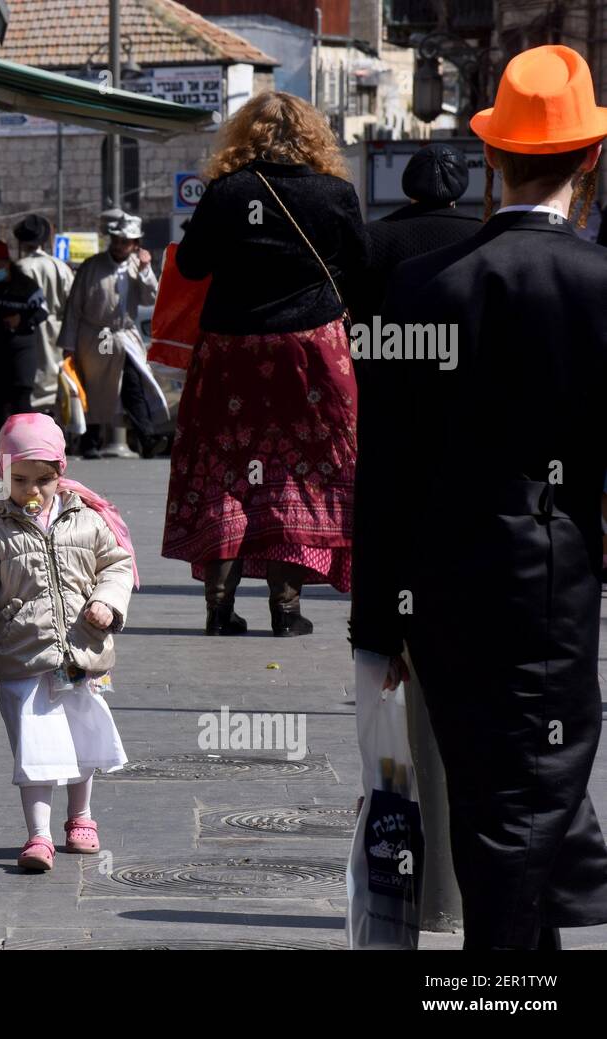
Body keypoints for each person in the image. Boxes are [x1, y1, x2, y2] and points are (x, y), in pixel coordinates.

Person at [350, 44, 607, 949]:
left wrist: (377, 624)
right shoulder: (598, 286)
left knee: (494, 807)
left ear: (492, 160)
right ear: (591, 161)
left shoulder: (420, 288)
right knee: (520, 819)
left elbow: (380, 468)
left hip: (442, 597)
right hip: (555, 592)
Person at [161, 91, 366, 637]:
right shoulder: (335, 194)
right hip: (312, 354)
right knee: (299, 473)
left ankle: (220, 608)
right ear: (313, 135)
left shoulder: (228, 192)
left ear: (243, 135)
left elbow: (191, 262)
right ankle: (287, 608)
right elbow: (359, 268)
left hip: (232, 353)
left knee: (226, 470)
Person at [0, 413, 135, 872]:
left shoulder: (85, 519)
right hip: (24, 657)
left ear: (60, 473)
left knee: (83, 739)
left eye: (41, 481)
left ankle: (81, 817)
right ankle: (38, 835)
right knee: (37, 747)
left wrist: (106, 602)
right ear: (3, 475)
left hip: (81, 655)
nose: (30, 491)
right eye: (19, 479)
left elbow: (117, 565)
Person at [58, 211, 158, 459]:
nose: (119, 245)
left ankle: (147, 437)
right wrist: (69, 345)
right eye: (116, 240)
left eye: (125, 242)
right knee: (92, 387)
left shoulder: (138, 266)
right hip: (93, 337)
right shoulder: (92, 266)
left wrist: (146, 269)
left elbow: (150, 298)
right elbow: (74, 307)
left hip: (125, 336)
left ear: (135, 245)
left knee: (133, 384)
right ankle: (90, 442)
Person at [349, 143, 481, 327]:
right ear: (461, 185)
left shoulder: (373, 235)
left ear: (408, 181)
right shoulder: (481, 236)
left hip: (391, 348)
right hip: (462, 350)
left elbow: (359, 305)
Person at [0, 238, 48, 437]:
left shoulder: (26, 285)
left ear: (7, 263)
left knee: (21, 397)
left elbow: (43, 312)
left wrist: (21, 319)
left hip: (21, 347)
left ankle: (27, 440)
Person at [14, 214, 75, 413]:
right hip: (58, 328)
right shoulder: (60, 267)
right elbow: (72, 304)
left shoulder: (20, 267)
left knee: (33, 377)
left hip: (28, 329)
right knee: (54, 376)